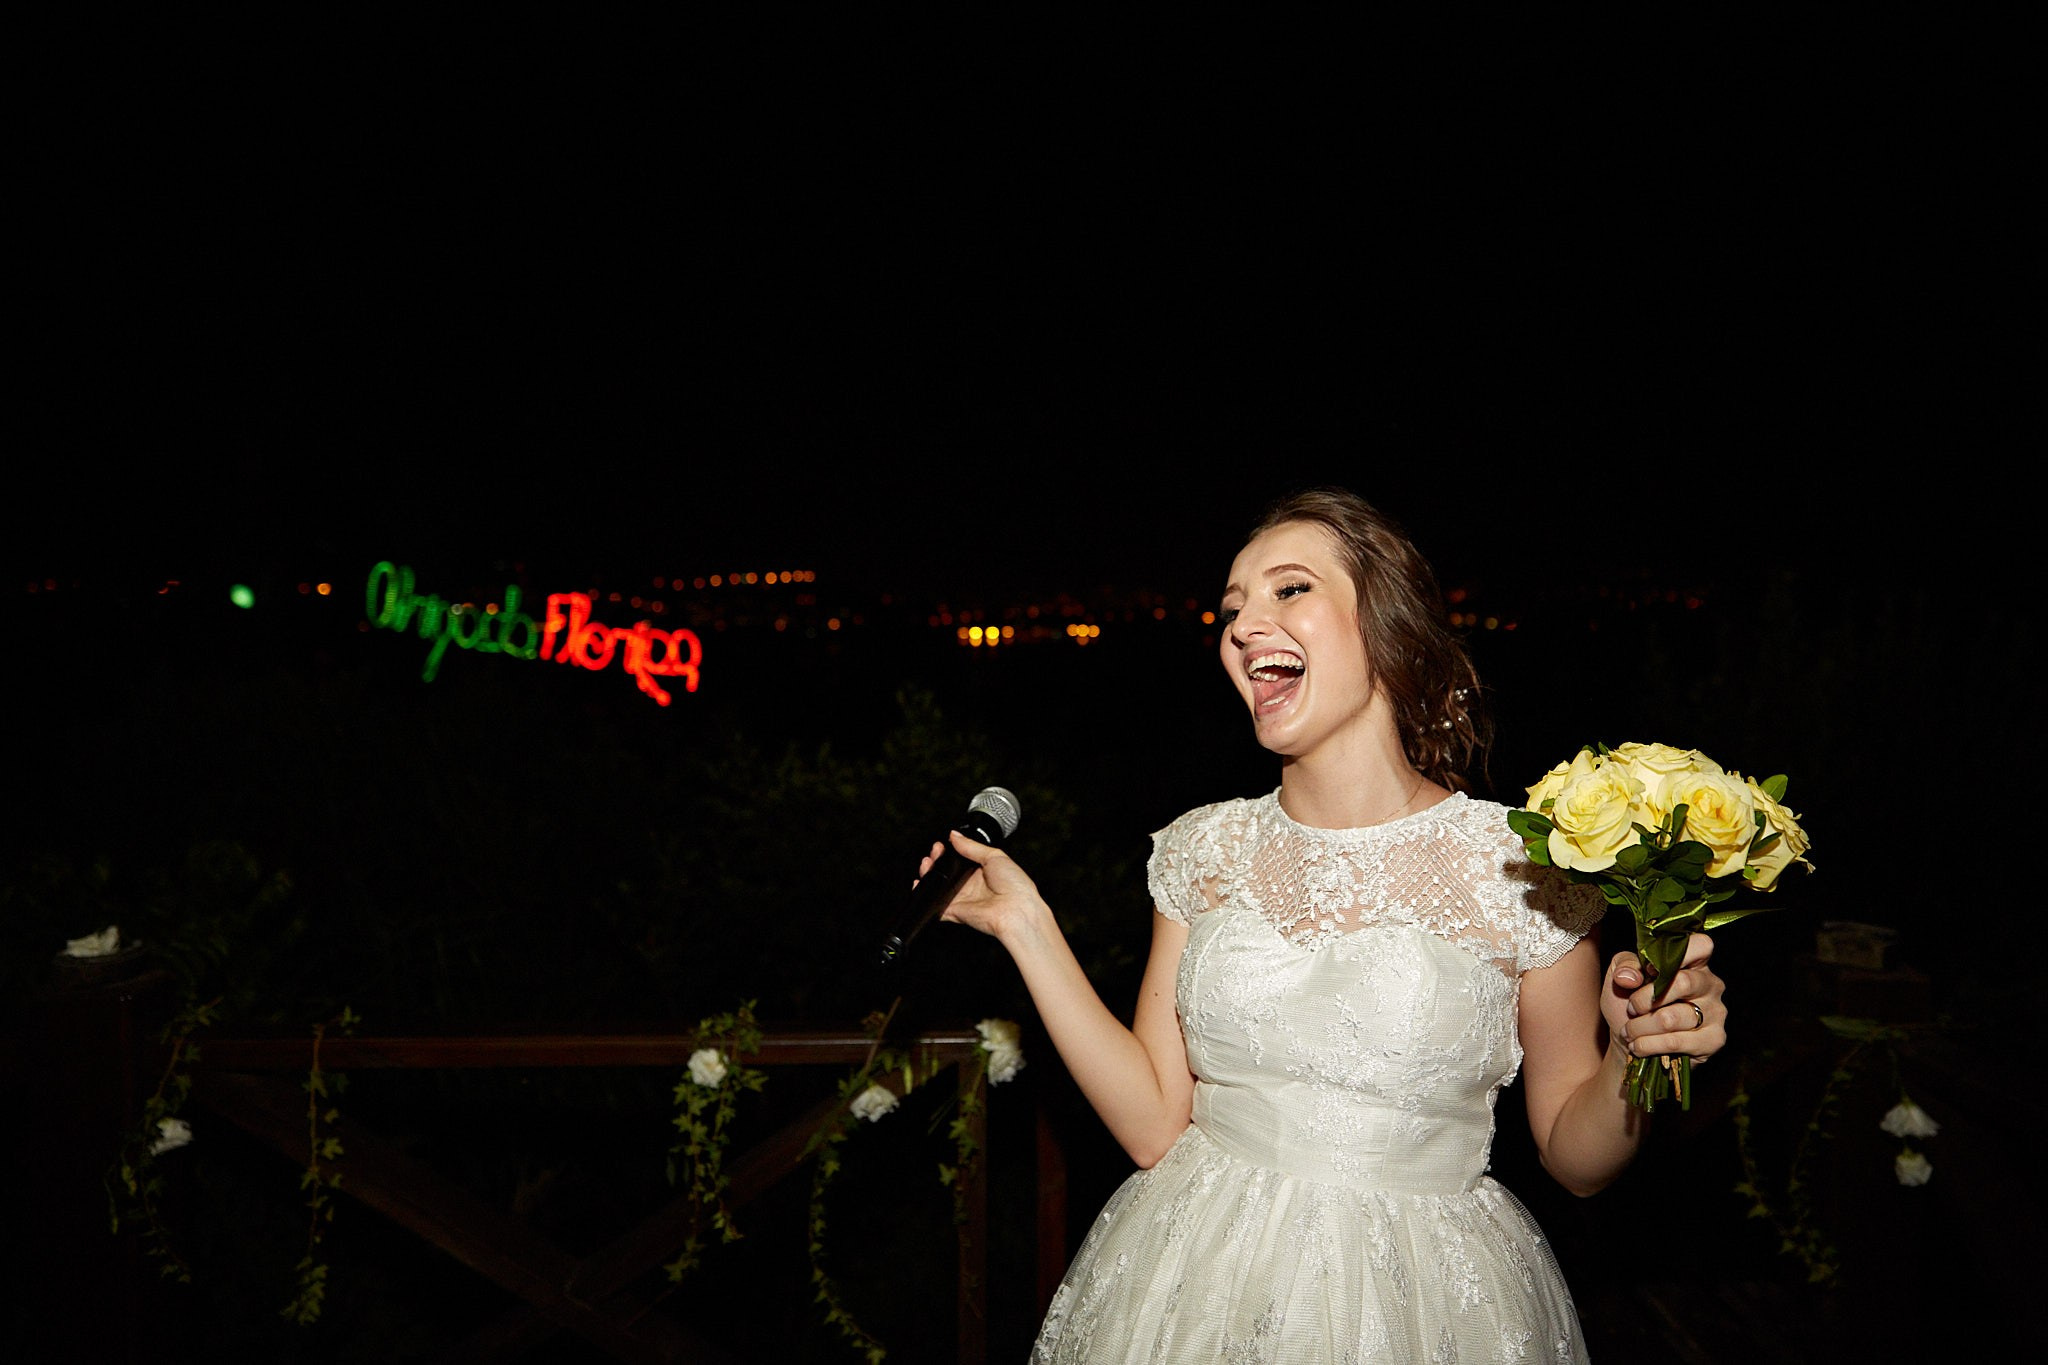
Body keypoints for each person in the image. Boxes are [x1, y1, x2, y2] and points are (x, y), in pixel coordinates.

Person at [922, 486, 1728, 1362]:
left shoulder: (1528, 867)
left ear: (1387, 626)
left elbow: (1577, 1157)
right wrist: (1026, 926)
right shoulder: (1206, 847)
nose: (1243, 624)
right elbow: (1155, 1120)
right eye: (1232, 607)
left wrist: (1634, 1058)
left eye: (1289, 590)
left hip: (1426, 1305)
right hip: (1193, 1281)